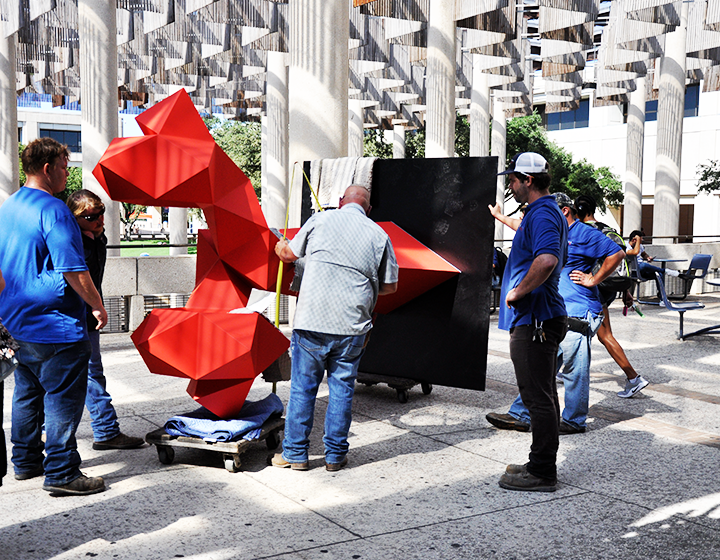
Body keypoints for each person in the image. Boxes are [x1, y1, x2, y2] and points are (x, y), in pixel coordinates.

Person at [0, 138, 108, 496]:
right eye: (64, 165)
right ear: (47, 168)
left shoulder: (9, 206)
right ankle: (62, 470)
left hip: (15, 321)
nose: (67, 172)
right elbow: (73, 269)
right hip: (56, 323)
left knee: (27, 391)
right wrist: (96, 305)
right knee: (63, 395)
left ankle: (25, 460)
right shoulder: (56, 210)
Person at [271, 185, 398, 472]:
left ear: (341, 202)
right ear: (368, 209)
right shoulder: (379, 234)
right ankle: (335, 456)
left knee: (304, 389)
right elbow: (390, 286)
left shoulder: (320, 219)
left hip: (312, 322)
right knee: (342, 390)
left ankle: (294, 455)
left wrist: (281, 246)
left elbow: (288, 254)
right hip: (353, 326)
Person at [488, 193, 625, 441]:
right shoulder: (553, 229)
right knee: (544, 367)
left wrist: (593, 279)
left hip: (580, 311)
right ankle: (521, 413)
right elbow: (521, 226)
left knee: (574, 367)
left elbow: (617, 254)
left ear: (563, 211)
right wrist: (499, 216)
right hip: (560, 310)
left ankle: (574, 420)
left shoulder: (583, 233)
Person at [486, 152, 569, 493]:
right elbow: (534, 239)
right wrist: (502, 219)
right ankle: (540, 462)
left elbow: (547, 258)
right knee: (544, 395)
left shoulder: (545, 213)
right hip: (540, 317)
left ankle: (542, 471)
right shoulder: (541, 213)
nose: (511, 185)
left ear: (528, 180)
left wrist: (517, 292)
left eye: (514, 180)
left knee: (537, 398)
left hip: (536, 319)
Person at [67, 190, 144, 450]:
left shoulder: (97, 238)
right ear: (75, 218)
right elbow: (78, 278)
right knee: (88, 374)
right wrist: (96, 305)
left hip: (85, 316)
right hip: (76, 316)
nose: (99, 219)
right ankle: (106, 431)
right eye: (91, 216)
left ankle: (102, 430)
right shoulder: (72, 241)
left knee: (85, 374)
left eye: (101, 213)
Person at [574, 195, 649, 398]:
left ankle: (634, 378)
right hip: (608, 288)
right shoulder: (608, 229)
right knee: (573, 331)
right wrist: (625, 291)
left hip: (593, 289)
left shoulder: (583, 232)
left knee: (603, 335)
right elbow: (620, 261)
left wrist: (591, 279)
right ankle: (561, 370)